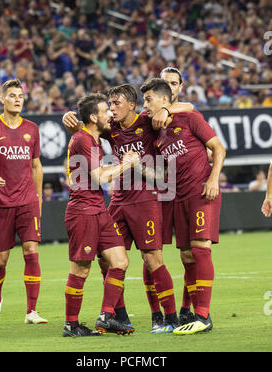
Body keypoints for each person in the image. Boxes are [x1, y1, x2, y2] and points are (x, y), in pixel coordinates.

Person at [62, 84, 194, 333]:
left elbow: (189, 107)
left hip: (145, 198)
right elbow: (85, 129)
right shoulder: (108, 128)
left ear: (132, 105)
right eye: (109, 105)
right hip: (118, 199)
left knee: (152, 257)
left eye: (116, 104)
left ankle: (169, 318)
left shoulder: (147, 120)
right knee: (109, 260)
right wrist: (67, 117)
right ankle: (116, 316)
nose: (112, 110)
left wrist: (165, 108)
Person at [140, 78, 226, 335]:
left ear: (165, 100)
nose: (145, 105)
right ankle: (191, 312)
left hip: (201, 191)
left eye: (148, 99)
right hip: (176, 196)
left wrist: (213, 179)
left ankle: (203, 315)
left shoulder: (191, 119)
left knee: (200, 249)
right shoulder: (155, 131)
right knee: (186, 255)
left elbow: (218, 149)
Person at [63, 92, 138, 337]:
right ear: (94, 117)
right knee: (81, 269)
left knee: (120, 261)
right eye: (106, 111)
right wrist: (126, 164)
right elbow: (99, 177)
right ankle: (71, 325)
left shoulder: (94, 140)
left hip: (98, 210)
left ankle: (106, 316)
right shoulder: (83, 140)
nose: (110, 115)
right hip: (83, 211)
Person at [0, 78, 47, 325]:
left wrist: (38, 199)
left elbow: (36, 166)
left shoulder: (32, 129)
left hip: (27, 201)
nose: (17, 99)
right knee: (0, 260)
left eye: (20, 96)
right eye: (13, 95)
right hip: (1, 202)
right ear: (2, 99)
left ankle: (32, 311)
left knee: (31, 251)